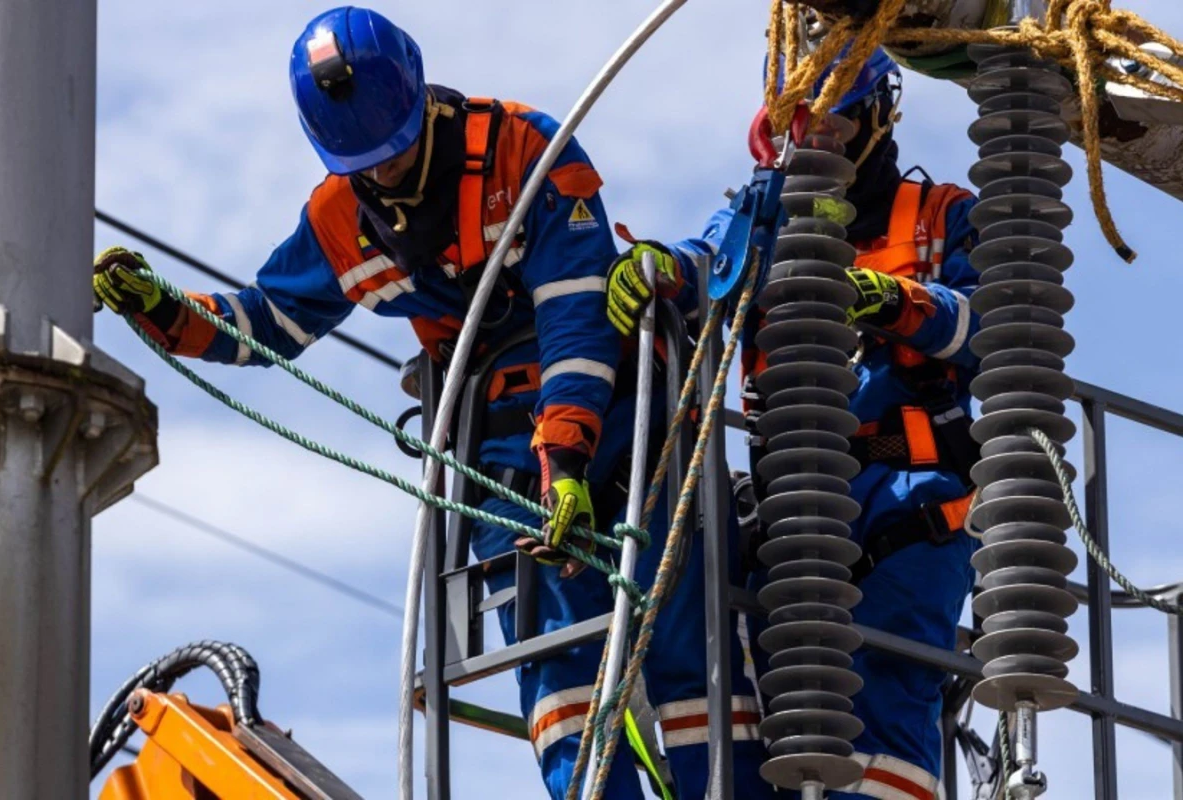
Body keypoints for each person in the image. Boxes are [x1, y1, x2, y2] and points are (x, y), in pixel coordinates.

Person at [92, 8, 772, 798]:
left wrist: (568, 450)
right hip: (503, 454)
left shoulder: (526, 148)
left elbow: (575, 310)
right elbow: (267, 322)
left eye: (394, 151)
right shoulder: (340, 219)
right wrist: (166, 309)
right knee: (557, 673)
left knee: (692, 653)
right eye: (364, 163)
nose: (383, 174)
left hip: (630, 417)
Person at [612, 47, 982, 798]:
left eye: (839, 128)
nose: (819, 147)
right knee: (746, 688)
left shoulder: (941, 217)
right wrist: (660, 269)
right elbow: (706, 261)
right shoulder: (762, 216)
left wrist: (898, 303)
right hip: (795, 511)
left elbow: (1000, 335)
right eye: (801, 128)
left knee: (887, 703)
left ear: (881, 117)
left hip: (912, 505)